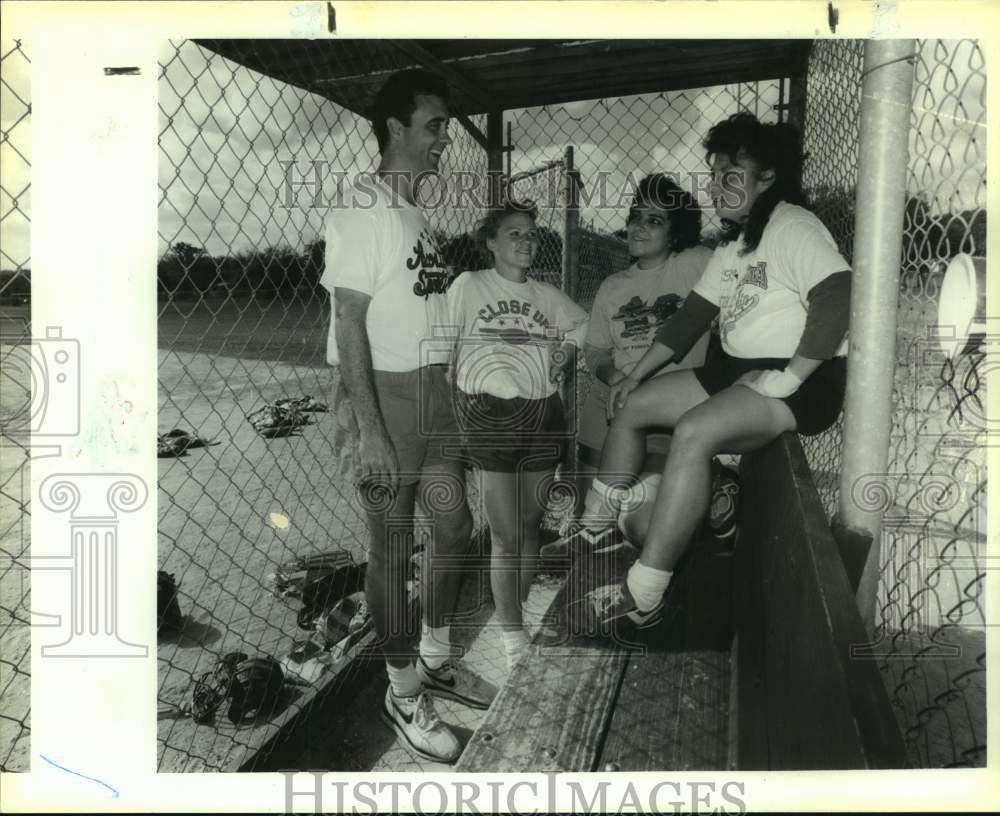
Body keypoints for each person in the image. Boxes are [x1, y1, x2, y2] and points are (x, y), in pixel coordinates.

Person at [572, 112, 851, 630]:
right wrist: (637, 376)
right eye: (714, 175)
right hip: (734, 370)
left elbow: (838, 295)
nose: (718, 186)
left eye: (731, 175)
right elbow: (690, 319)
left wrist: (787, 379)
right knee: (635, 405)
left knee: (694, 432)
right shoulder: (736, 243)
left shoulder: (791, 224)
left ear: (767, 178)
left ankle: (646, 592)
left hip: (794, 384)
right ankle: (594, 523)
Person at [320, 68, 495, 765]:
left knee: (453, 523)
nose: (445, 138)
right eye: (435, 125)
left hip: (429, 392)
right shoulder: (361, 205)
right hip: (384, 398)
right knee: (391, 549)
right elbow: (349, 320)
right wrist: (368, 431)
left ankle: (434, 657)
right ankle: (401, 692)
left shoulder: (412, 213)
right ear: (395, 129)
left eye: (447, 126)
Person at [443, 200, 588, 670]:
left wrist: (565, 350)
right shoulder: (470, 285)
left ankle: (515, 615)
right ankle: (511, 638)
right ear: (490, 242)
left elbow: (582, 325)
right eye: (513, 233)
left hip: (543, 413)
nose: (526, 241)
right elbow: (445, 349)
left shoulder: (547, 296)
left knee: (529, 529)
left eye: (531, 233)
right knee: (505, 536)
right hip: (490, 415)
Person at [573, 173, 715, 540]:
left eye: (655, 220)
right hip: (609, 402)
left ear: (676, 232)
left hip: (668, 410)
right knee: (590, 521)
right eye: (636, 216)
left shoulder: (695, 264)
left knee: (641, 524)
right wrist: (614, 376)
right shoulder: (613, 285)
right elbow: (596, 351)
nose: (639, 226)